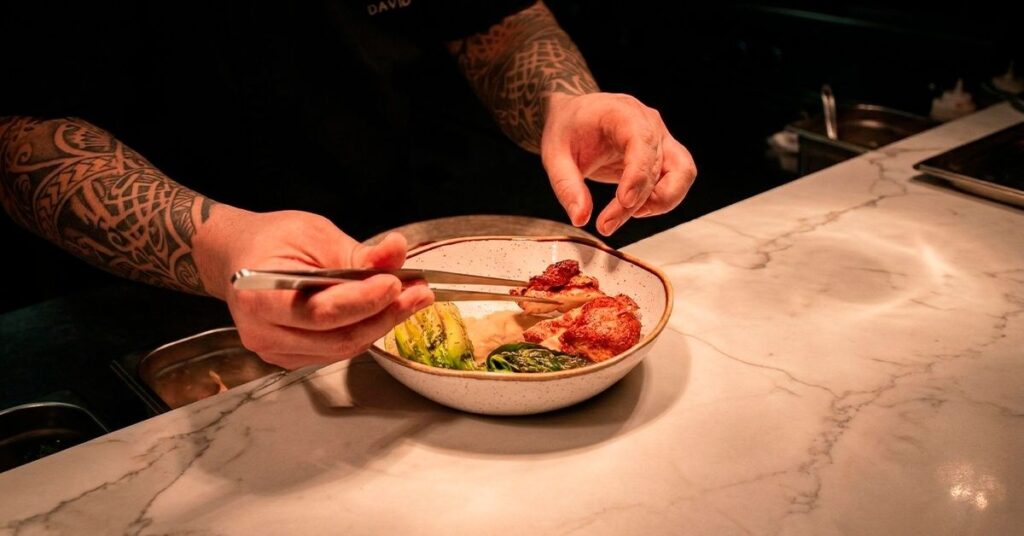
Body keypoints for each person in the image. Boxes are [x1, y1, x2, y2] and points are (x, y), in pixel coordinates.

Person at [0, 1, 696, 369]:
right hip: (152, 301)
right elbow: (18, 136)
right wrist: (220, 245)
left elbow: (495, 20)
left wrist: (563, 102)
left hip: (397, 260)